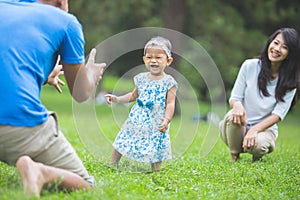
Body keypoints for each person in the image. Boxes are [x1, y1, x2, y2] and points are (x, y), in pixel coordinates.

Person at [0, 0, 106, 198]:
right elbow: (80, 93)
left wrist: (42, 75)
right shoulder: (66, 22)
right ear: (61, 1)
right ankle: (40, 172)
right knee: (86, 183)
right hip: (19, 130)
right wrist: (90, 74)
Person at [219, 28, 300, 162]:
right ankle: (235, 156)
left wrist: (254, 130)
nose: (277, 49)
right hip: (240, 125)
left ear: (290, 54)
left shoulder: (291, 81)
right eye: (276, 43)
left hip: (265, 130)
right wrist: (237, 106)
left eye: (284, 47)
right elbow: (235, 97)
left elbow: (278, 114)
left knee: (258, 146)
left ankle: (257, 156)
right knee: (232, 115)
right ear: (269, 43)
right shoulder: (249, 66)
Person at [105, 36, 178, 172]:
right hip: (138, 116)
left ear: (168, 61)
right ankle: (113, 163)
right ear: (144, 59)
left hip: (157, 119)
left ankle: (155, 170)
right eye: (149, 57)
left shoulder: (169, 82)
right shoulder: (141, 79)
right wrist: (117, 99)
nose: (153, 60)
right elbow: (133, 96)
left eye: (158, 57)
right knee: (123, 137)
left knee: (156, 144)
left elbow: (170, 104)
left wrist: (167, 119)